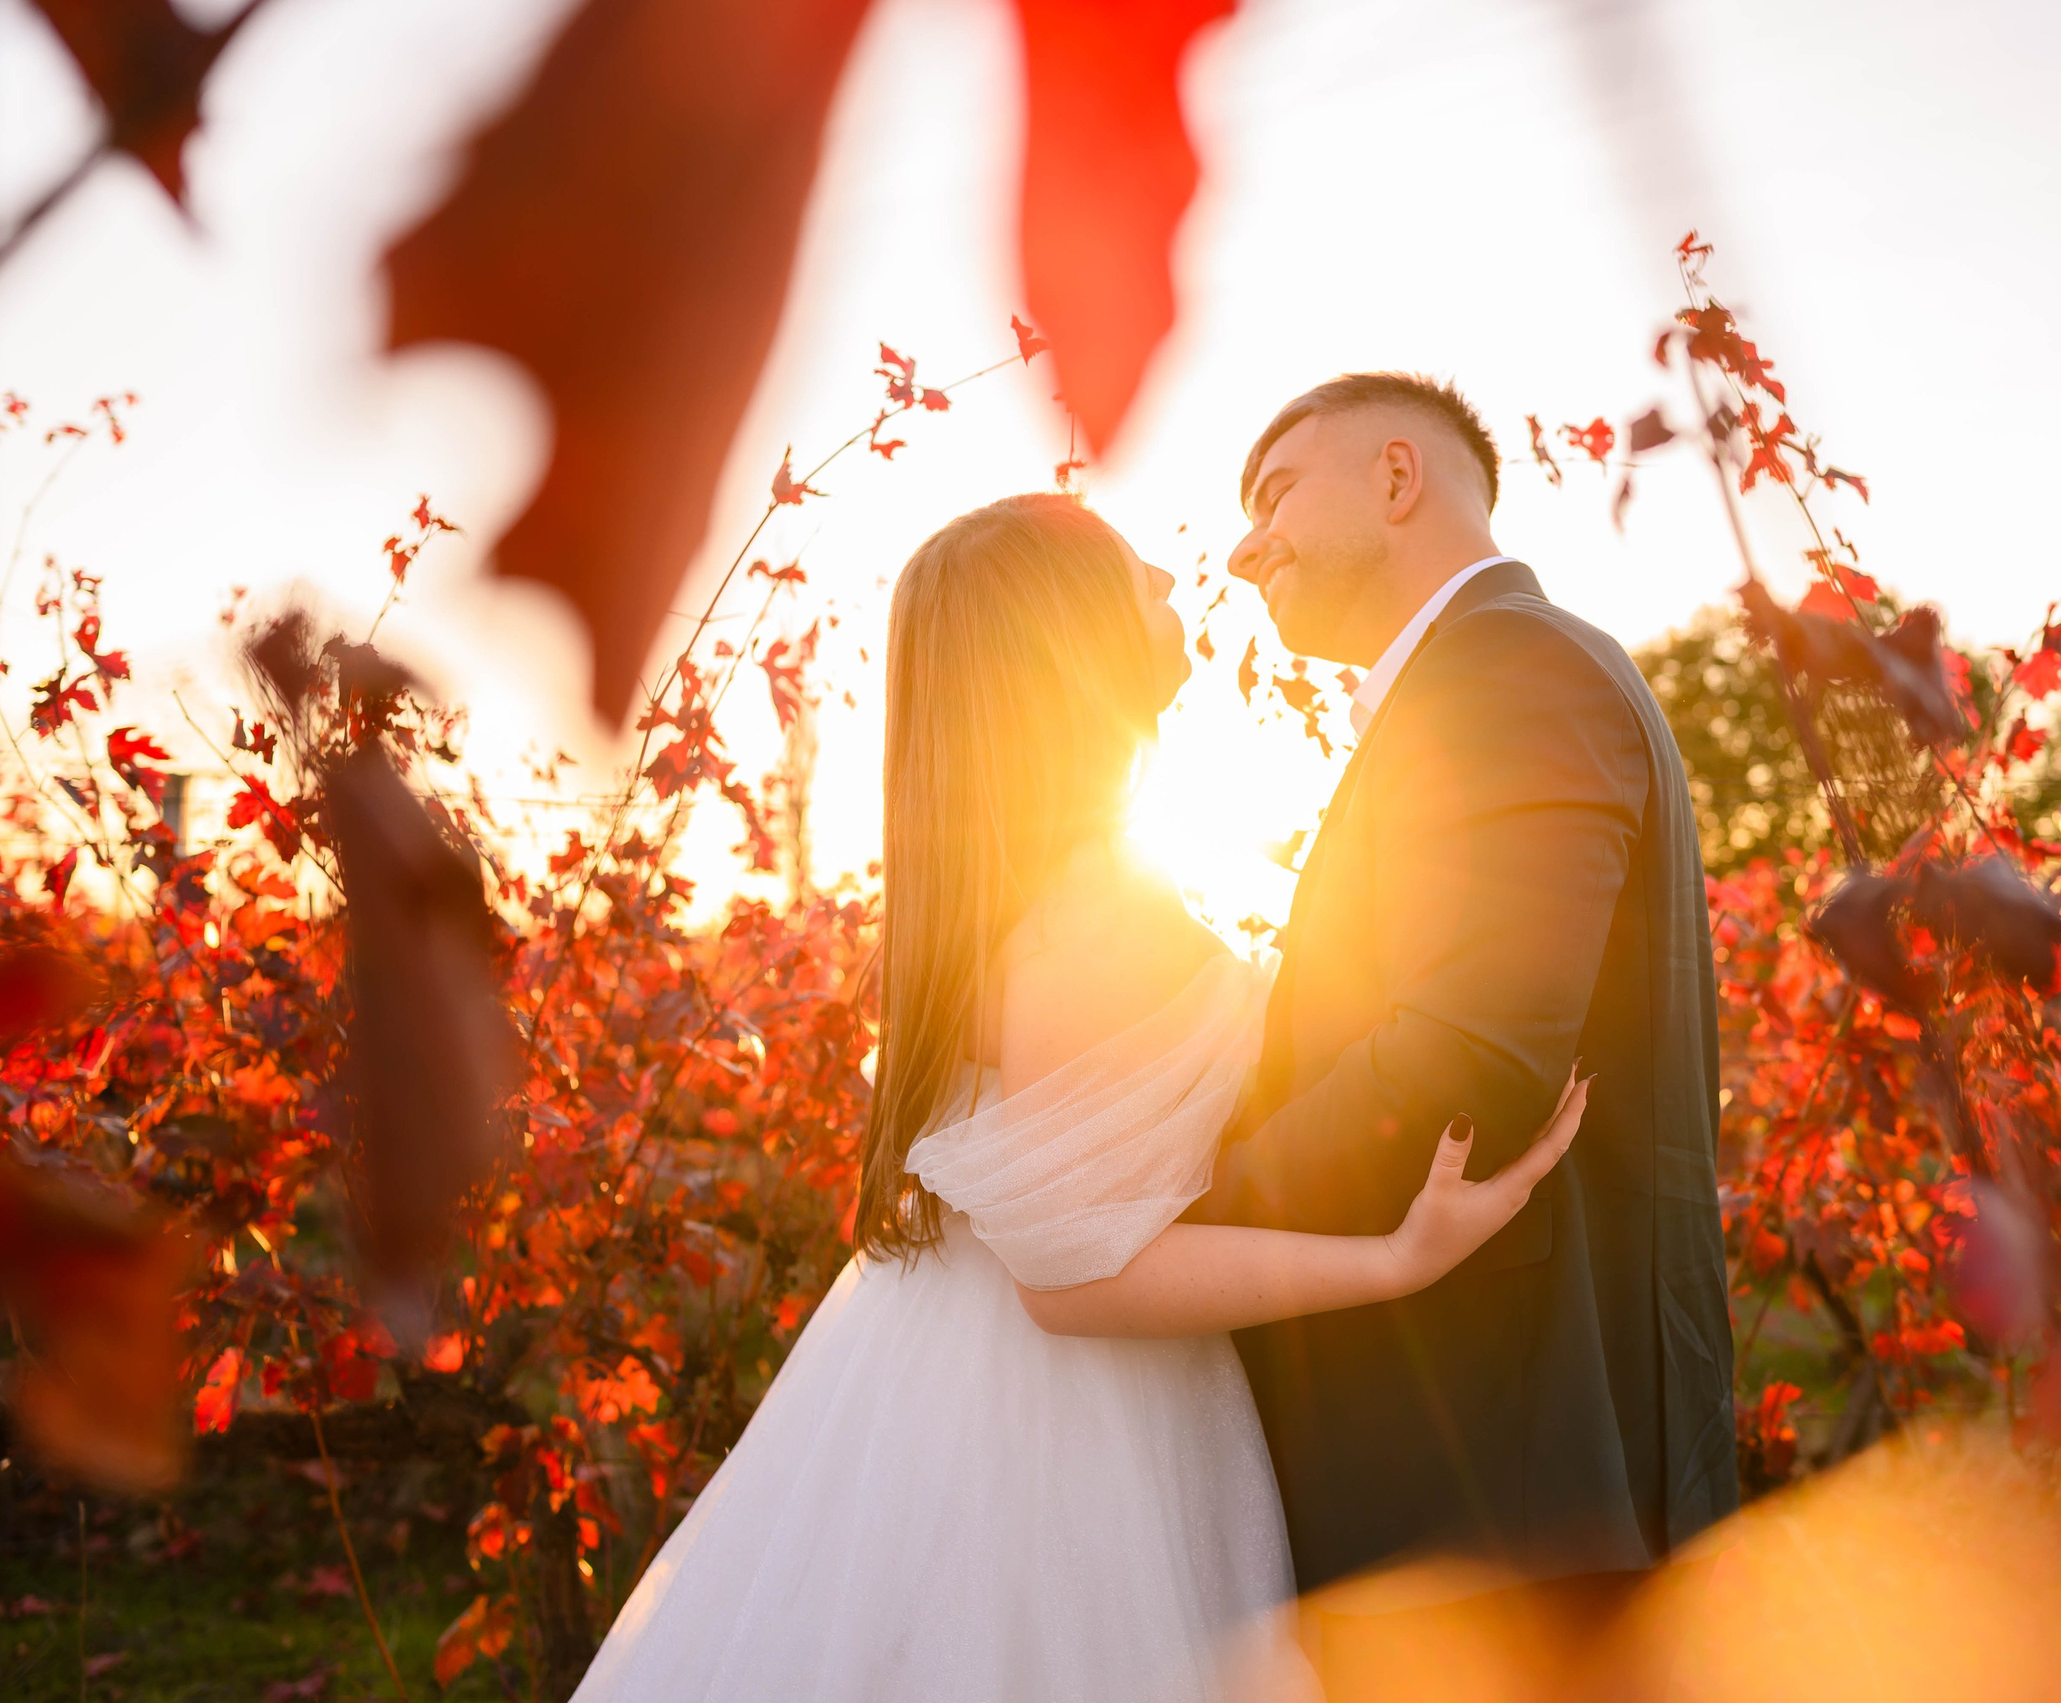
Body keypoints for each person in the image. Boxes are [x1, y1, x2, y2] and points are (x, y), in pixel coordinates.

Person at [571, 492, 1587, 1703]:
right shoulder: (1079, 914)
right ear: (1067, 641)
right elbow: (1073, 1280)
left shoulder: (1045, 884)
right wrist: (1393, 1258)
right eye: (1127, 568)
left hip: (963, 1371)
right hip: (1059, 1433)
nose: (1167, 572)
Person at [1186, 372, 1737, 1695]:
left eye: (1273, 494)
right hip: (1494, 1475)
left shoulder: (1509, 675)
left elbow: (1468, 1054)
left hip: (1505, 1483)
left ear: (1395, 479)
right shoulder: (1479, 680)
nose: (1245, 544)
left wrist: (1195, 1224)